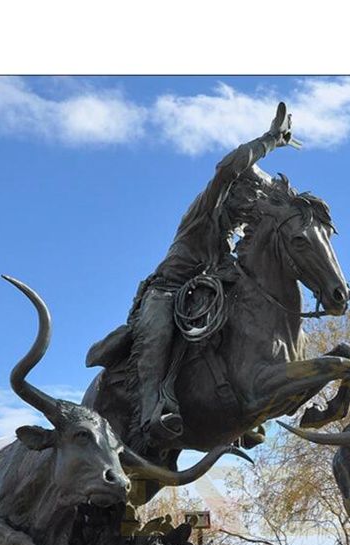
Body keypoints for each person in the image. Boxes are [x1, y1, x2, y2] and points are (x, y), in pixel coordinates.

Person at [128, 102, 296, 444]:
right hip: (165, 292)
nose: (251, 207)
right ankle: (152, 407)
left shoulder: (229, 244)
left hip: (201, 301)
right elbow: (226, 169)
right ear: (234, 194)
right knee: (158, 332)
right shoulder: (205, 212)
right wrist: (269, 141)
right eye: (249, 197)